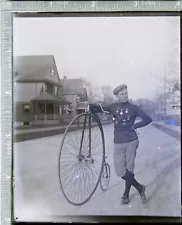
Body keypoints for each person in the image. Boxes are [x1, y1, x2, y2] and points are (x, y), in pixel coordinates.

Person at [90, 84, 152, 205]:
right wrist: (91, 105)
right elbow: (100, 108)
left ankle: (126, 194)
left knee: (129, 168)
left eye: (126, 93)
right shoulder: (113, 107)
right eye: (122, 94)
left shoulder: (134, 107)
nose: (125, 95)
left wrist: (135, 126)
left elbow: (148, 119)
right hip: (118, 141)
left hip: (131, 141)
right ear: (117, 96)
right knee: (120, 171)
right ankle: (139, 188)